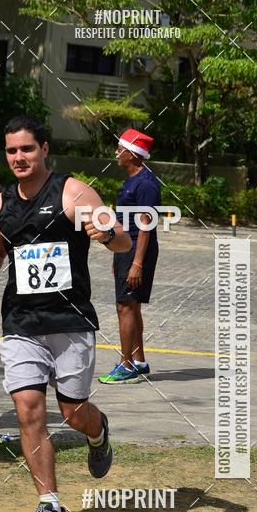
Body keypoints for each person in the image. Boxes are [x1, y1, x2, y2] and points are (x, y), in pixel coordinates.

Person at [0, 115, 131, 512]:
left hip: (70, 321)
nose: (19, 158)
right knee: (28, 411)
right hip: (21, 321)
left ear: (44, 149)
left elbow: (122, 240)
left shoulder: (72, 192)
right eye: (11, 151)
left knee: (73, 412)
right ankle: (50, 506)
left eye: (27, 149)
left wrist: (104, 233)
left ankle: (98, 433)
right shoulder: (1, 203)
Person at [98, 129, 159, 385]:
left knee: (125, 306)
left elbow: (146, 225)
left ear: (132, 154)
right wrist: (117, 256)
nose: (116, 153)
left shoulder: (145, 184)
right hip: (126, 249)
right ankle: (139, 360)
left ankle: (125, 365)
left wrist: (136, 263)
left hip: (137, 249)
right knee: (131, 305)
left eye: (120, 149)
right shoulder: (132, 179)